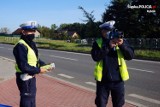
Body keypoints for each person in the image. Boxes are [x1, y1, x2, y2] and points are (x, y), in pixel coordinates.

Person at [91, 20, 134, 107]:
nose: (110, 33)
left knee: (118, 104)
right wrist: (108, 47)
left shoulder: (121, 41)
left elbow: (130, 56)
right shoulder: (98, 43)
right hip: (103, 81)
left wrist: (122, 45)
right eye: (107, 30)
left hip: (118, 81)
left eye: (112, 30)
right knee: (101, 104)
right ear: (102, 31)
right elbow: (95, 57)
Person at [13, 21, 54, 107]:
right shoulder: (20, 46)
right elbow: (23, 66)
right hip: (24, 78)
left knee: (32, 101)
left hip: (31, 78)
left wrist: (45, 66)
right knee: (27, 102)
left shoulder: (31, 44)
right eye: (31, 31)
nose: (33, 33)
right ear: (23, 32)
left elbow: (36, 60)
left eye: (34, 31)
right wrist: (39, 70)